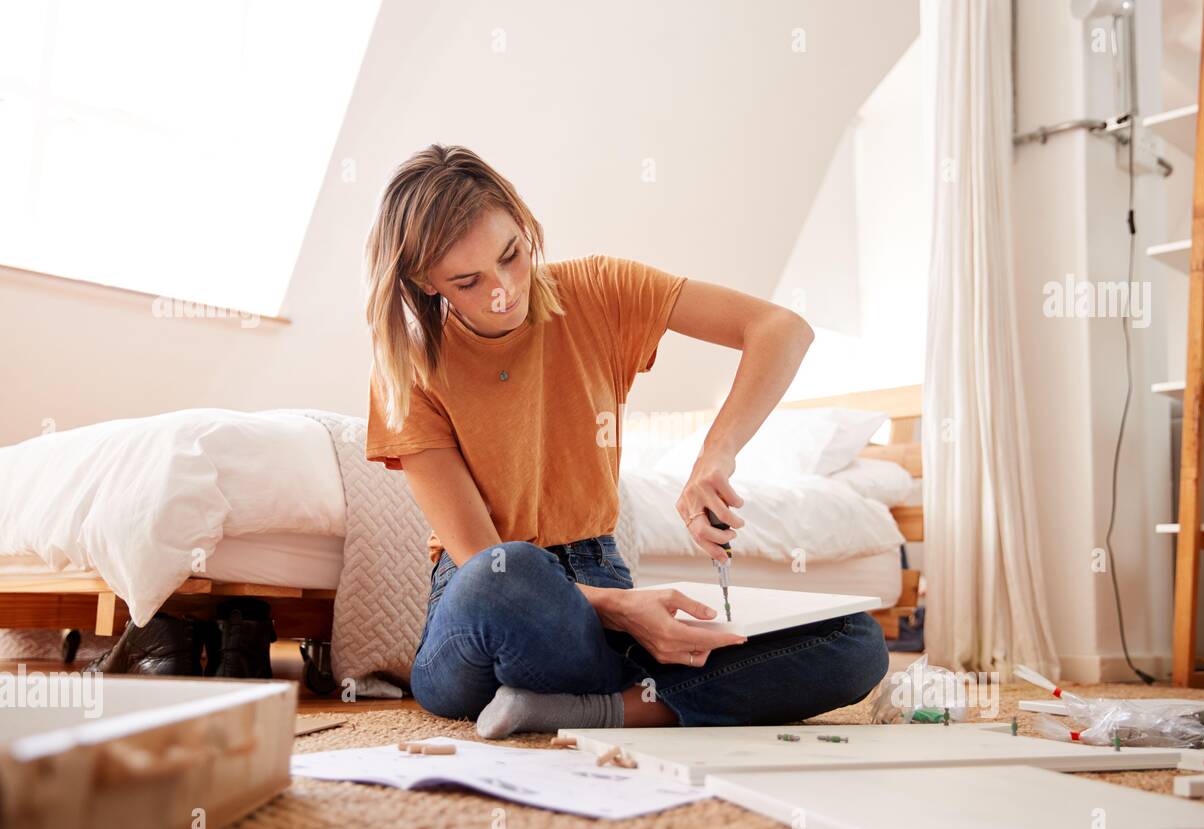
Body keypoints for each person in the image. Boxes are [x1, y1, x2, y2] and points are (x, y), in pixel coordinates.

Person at [364, 144, 887, 738]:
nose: (505, 290)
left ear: (523, 222)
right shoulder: (407, 365)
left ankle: (589, 709)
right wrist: (622, 610)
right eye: (468, 281)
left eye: (512, 256)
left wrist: (714, 454)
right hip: (488, 609)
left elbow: (781, 329)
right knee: (507, 573)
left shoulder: (599, 289)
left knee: (855, 640)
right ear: (424, 281)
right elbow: (482, 555)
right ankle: (632, 699)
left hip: (598, 583)